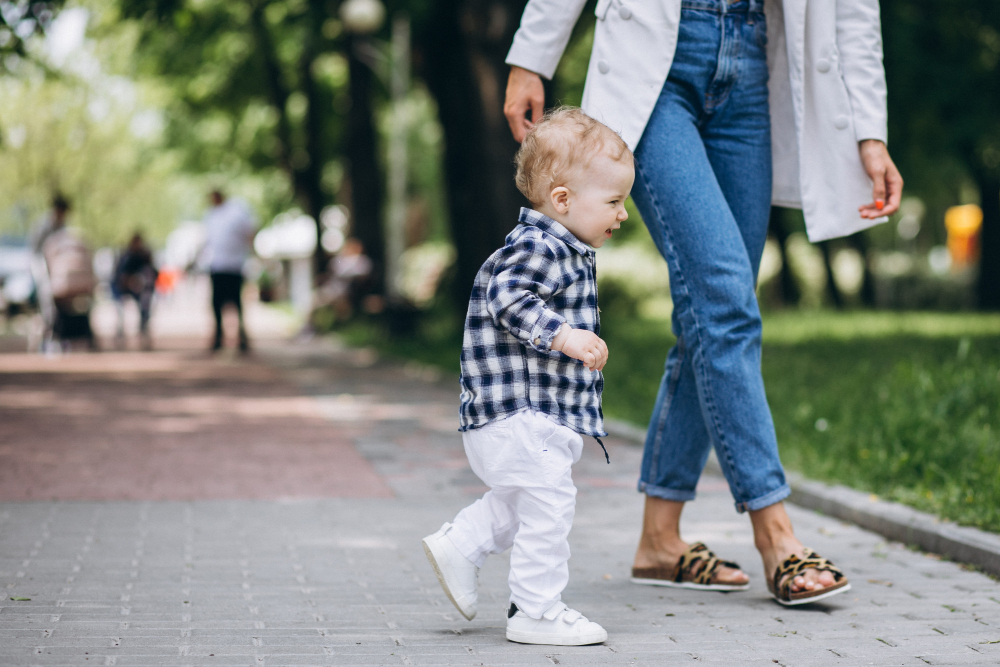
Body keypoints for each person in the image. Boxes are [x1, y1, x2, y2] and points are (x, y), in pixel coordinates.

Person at [503, 0, 903, 605]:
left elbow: (853, 9)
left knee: (709, 317)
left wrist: (869, 129)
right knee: (725, 302)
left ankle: (660, 540)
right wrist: (531, 57)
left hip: (755, 60)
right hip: (659, 60)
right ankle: (778, 535)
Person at [422, 108, 632, 646]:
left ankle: (463, 544)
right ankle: (536, 610)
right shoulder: (541, 246)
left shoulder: (564, 247)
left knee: (526, 500)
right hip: (518, 411)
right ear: (562, 200)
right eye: (613, 201)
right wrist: (565, 335)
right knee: (550, 505)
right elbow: (508, 296)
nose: (623, 214)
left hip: (531, 413)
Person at [201, 190, 256, 352]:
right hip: (217, 265)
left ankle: (241, 337)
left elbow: (250, 232)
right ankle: (219, 336)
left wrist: (249, 254)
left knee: (236, 303)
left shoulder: (238, 210)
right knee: (216, 304)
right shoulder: (211, 215)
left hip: (234, 265)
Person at [112, 232, 158, 350]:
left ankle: (144, 333)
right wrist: (129, 282)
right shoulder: (126, 256)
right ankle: (121, 336)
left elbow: (153, 274)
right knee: (120, 309)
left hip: (142, 290)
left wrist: (139, 282)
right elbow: (119, 277)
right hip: (124, 289)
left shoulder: (145, 256)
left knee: (145, 306)